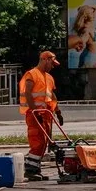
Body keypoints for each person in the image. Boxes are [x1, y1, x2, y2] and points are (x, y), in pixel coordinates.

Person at [18, 51, 63, 180]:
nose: (52, 67)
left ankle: (35, 169)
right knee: (37, 142)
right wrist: (33, 111)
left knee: (44, 143)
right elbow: (28, 94)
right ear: (45, 60)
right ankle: (30, 170)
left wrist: (58, 112)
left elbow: (52, 96)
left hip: (46, 115)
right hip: (34, 115)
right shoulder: (32, 74)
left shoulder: (49, 78)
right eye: (52, 63)